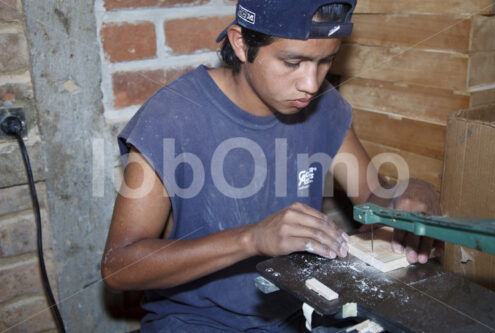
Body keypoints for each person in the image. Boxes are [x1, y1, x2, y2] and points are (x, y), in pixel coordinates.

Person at [101, 0, 443, 331]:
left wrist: (408, 192)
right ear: (240, 43)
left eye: (326, 61)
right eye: (293, 62)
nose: (311, 84)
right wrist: (250, 239)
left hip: (301, 313)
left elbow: (372, 196)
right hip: (197, 321)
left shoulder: (323, 106)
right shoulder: (172, 116)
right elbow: (119, 267)